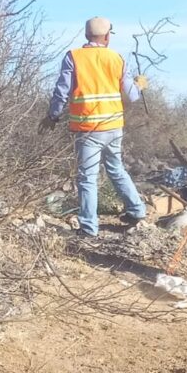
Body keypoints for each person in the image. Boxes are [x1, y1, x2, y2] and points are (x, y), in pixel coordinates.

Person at [41, 16, 148, 238]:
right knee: (116, 169)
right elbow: (131, 96)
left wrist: (52, 116)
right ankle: (137, 211)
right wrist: (139, 85)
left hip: (88, 128)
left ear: (87, 35)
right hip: (114, 127)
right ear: (107, 36)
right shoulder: (117, 59)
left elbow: (62, 91)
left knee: (87, 178)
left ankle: (89, 228)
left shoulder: (74, 57)